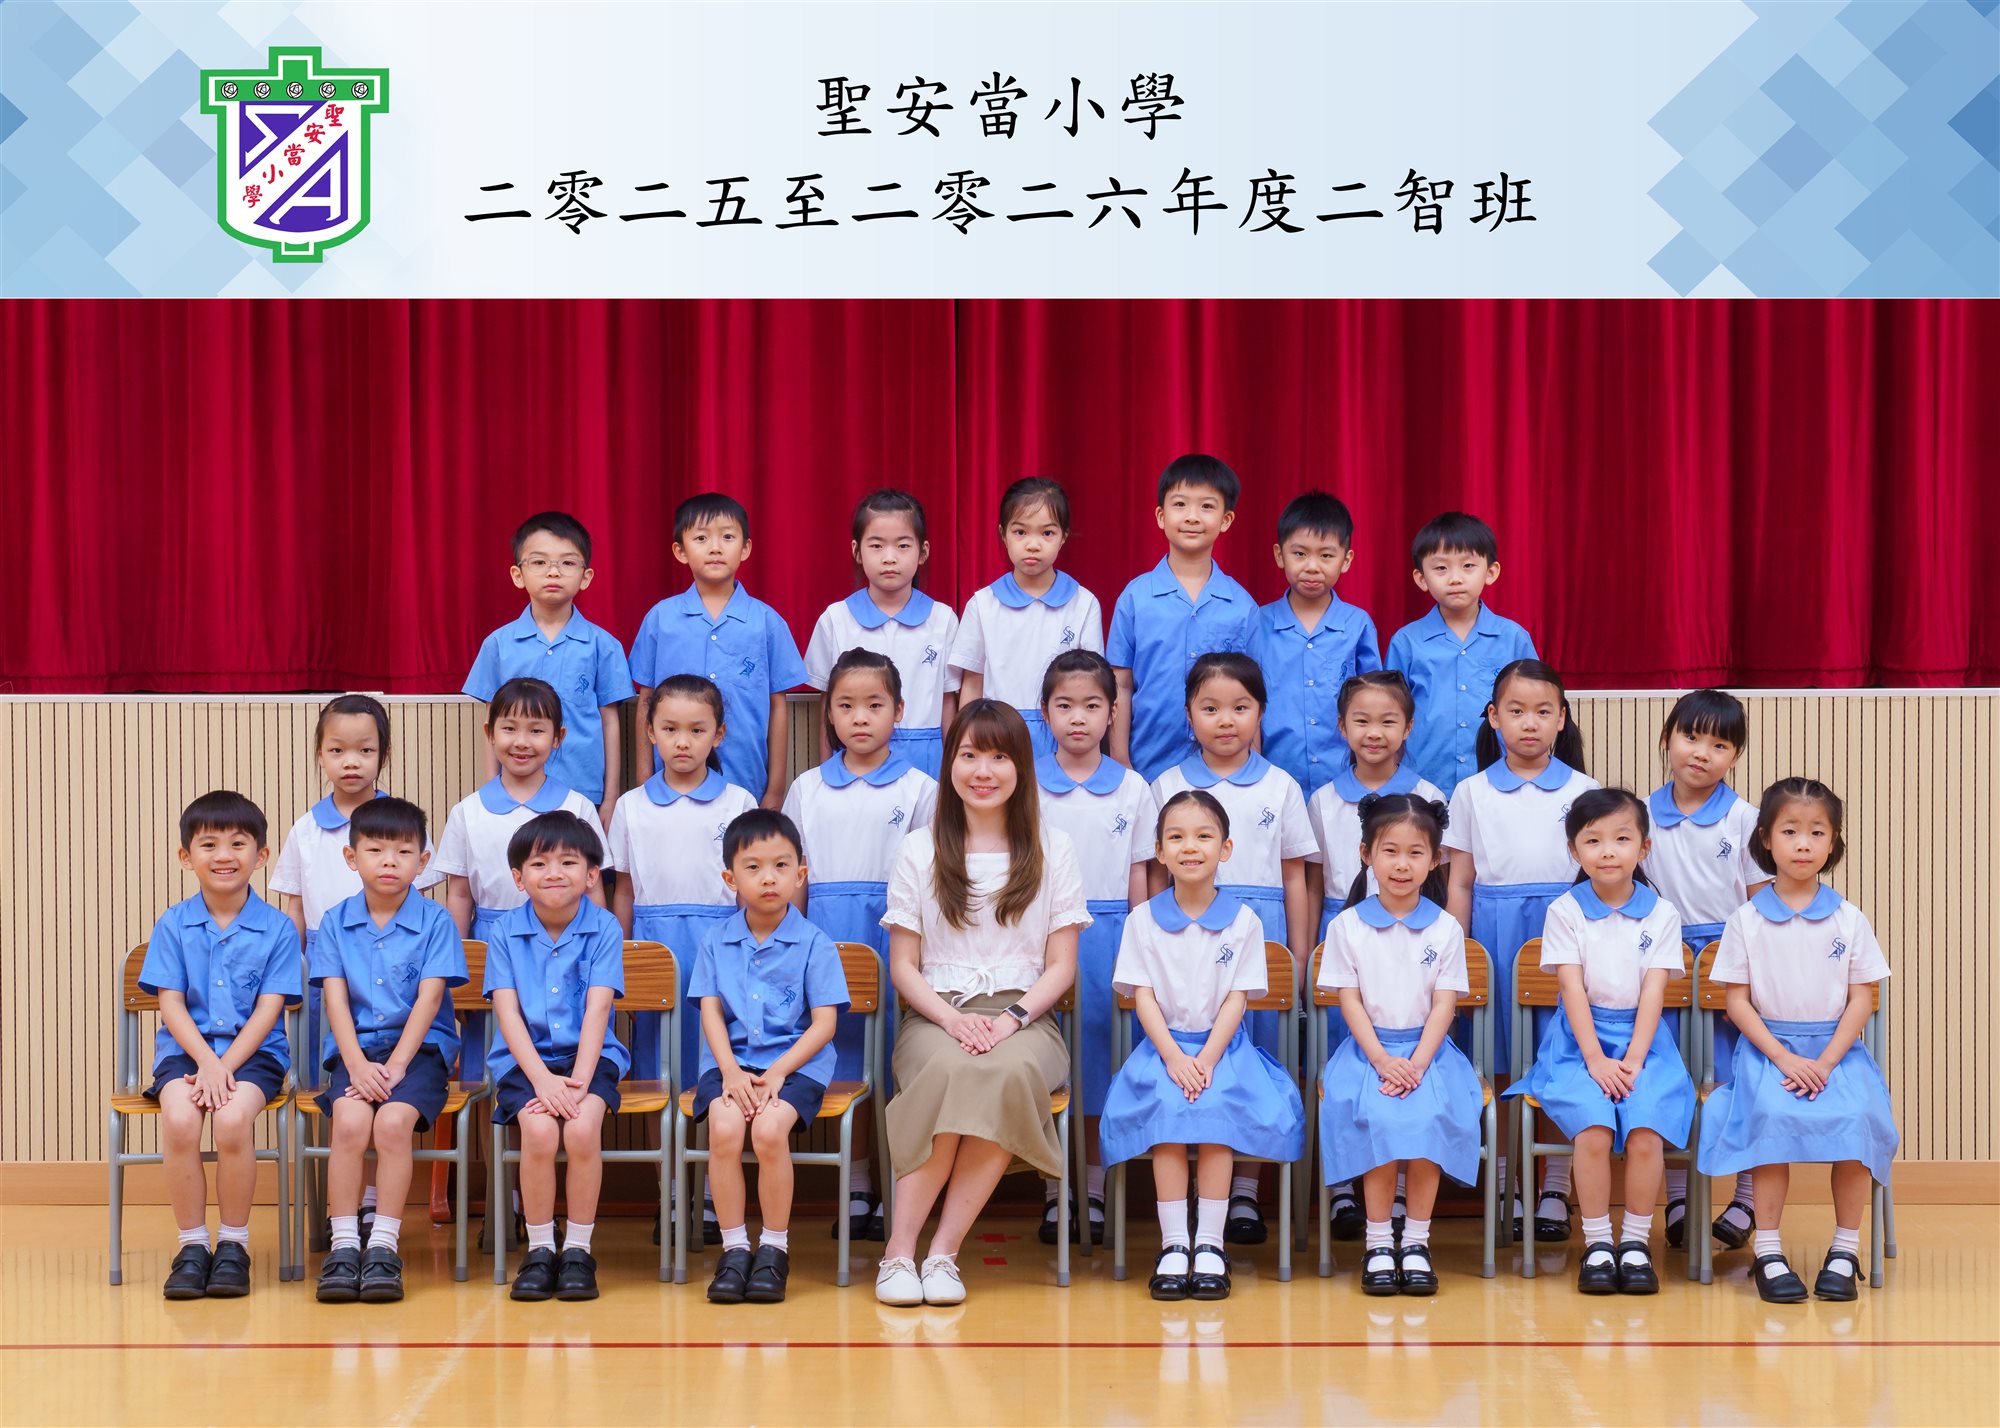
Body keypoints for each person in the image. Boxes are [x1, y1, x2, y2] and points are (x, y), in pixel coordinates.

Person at [874, 701, 1088, 1306]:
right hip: (936, 1014)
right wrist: (953, 1020)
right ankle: (898, 1255)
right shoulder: (918, 849)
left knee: (1003, 1071)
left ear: (1021, 767)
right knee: (950, 1069)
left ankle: (942, 1254)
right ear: (950, 765)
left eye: (999, 756)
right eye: (969, 755)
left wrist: (1010, 1021)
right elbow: (903, 966)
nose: (983, 771)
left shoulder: (1054, 848)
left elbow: (1062, 966)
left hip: (1027, 1018)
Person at [1098, 791, 1305, 1301]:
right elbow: (1142, 997)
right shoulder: (1142, 920)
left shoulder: (1245, 921)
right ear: (1159, 851)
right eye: (1176, 837)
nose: (1190, 847)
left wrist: (1207, 1059)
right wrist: (1174, 1058)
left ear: (1225, 848)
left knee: (1216, 1115)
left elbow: (1238, 998)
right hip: (1162, 1052)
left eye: (1203, 836)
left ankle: (1210, 1243)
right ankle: (1174, 1244)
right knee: (1168, 1117)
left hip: (1225, 1053)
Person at [1697, 778, 1897, 1303]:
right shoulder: (1745, 920)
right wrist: (1784, 1057)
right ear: (1766, 839)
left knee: (1858, 1118)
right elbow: (1737, 1002)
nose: (1803, 844)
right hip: (1769, 1054)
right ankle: (1768, 1250)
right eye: (1789, 831)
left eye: (1817, 832)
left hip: (1838, 1055)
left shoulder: (1849, 918)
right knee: (1770, 1115)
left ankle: (1845, 1250)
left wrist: (1825, 1062)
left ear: (1833, 843)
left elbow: (1862, 999)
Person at [1148, 651, 1314, 1245]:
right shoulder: (1167, 784)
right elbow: (1154, 878)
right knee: (1194, 1060)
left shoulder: (1281, 785)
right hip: (1185, 943)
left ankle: (1243, 1191)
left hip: (1261, 936)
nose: (1226, 720)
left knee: (1252, 1067)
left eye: (1240, 707)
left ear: (1260, 712)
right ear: (1188, 714)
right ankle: (1187, 1199)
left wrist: (1296, 958)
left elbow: (1294, 876)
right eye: (1210, 708)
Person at [1508, 789, 1695, 1295]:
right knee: (1592, 1129)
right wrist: (1594, 1059)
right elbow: (1571, 989)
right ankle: (1596, 1243)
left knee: (1645, 1130)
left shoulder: (1662, 914)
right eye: (1592, 841)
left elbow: (1654, 992)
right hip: (1578, 1044)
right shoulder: (1565, 910)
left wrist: (1632, 1060)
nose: (1607, 851)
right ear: (1574, 850)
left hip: (1645, 1045)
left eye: (1621, 839)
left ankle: (1634, 1242)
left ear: (1644, 847)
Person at [781, 648, 938, 1238]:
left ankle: (903, 1188)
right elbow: (795, 879)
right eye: (845, 705)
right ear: (829, 713)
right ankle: (857, 1183)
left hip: (897, 937)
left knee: (901, 1060)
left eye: (875, 705)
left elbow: (930, 880)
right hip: (827, 937)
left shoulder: (921, 788)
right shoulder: (807, 789)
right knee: (843, 1062)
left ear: (900, 710)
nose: (860, 717)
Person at [1443, 658, 1599, 1240]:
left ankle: (1555, 1187)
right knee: (1501, 1060)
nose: (1529, 723)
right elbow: (1461, 881)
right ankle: (1507, 1183)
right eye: (1516, 711)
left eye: (1542, 711)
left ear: (1561, 718)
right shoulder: (1471, 792)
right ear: (1493, 717)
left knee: (1562, 1060)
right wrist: (1458, 953)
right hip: (1495, 934)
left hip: (1566, 935)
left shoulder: (1585, 791)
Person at [1318, 793, 1482, 1297]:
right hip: (1367, 1054)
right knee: (1381, 1119)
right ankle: (1376, 1243)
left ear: (1435, 860)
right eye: (1390, 851)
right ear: (1366, 853)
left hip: (1429, 1055)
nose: (1402, 864)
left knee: (1429, 1119)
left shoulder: (1445, 927)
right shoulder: (1347, 926)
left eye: (1416, 853)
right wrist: (1383, 1060)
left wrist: (1416, 1063)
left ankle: (1415, 1242)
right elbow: (1349, 1002)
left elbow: (1444, 1005)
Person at [143, 791, 301, 1300]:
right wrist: (206, 1063)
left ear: (262, 854)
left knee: (232, 1121)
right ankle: (192, 1246)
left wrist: (224, 1067)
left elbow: (270, 1010)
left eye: (238, 843)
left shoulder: (278, 928)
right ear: (185, 857)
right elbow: (170, 1005)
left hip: (256, 1056)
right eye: (208, 844)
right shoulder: (173, 923)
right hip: (186, 1054)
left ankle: (234, 1245)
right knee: (180, 1119)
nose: (224, 855)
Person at [310, 797, 466, 1304]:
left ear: (423, 862)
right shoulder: (334, 922)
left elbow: (430, 999)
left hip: (418, 1054)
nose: (389, 862)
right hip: (356, 1053)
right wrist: (356, 1064)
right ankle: (344, 1244)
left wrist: (397, 1065)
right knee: (350, 1122)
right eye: (375, 850)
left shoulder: (437, 921)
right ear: (351, 858)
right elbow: (334, 998)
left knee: (394, 1123)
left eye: (403, 852)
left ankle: (382, 1244)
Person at [691, 810, 849, 1304]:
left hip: (795, 1066)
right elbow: (711, 1013)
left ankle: (774, 1250)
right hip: (731, 1063)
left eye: (781, 866)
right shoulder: (715, 941)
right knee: (724, 1129)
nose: (768, 878)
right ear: (729, 879)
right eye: (753, 867)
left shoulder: (815, 944)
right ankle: (735, 1249)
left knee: (767, 1130)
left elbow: (824, 1024)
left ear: (800, 874)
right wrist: (731, 1072)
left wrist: (779, 1071)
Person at [1032, 649, 1155, 1245]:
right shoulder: (1026, 781)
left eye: (1091, 706)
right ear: (1044, 712)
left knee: (1105, 1063)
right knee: (1049, 1062)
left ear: (1113, 713)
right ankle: (1054, 1191)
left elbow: (1140, 878)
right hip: (1040, 937)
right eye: (1064, 706)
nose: (1077, 718)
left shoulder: (1133, 787)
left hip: (1111, 935)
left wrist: (1138, 946)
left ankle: (1098, 1189)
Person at [485, 811, 629, 1303]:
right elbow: (507, 1013)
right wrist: (543, 1080)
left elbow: (598, 1009)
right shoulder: (504, 931)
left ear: (591, 875)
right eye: (539, 863)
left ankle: (579, 1251)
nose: (553, 872)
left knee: (583, 1128)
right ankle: (541, 1248)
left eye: (568, 862)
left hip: (590, 1059)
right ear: (518, 877)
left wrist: (579, 1082)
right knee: (541, 1131)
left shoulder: (604, 926)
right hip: (524, 1063)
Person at [1644, 688, 1767, 1251]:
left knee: (1736, 1082)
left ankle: (1746, 1198)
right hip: (1662, 962)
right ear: (1667, 738)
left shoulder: (1745, 819)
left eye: (1719, 745)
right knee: (1672, 1082)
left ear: (1735, 756)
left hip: (1726, 962)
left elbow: (1760, 906)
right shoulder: (1641, 814)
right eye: (1690, 737)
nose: (1701, 753)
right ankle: (1677, 1198)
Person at [628, 492, 808, 807]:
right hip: (668, 785)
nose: (715, 547)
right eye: (701, 538)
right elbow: (646, 700)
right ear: (680, 551)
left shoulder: (766, 622)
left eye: (727, 537)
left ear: (745, 548)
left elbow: (777, 706)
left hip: (746, 781)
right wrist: (644, 778)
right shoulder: (660, 619)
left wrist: (775, 790)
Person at [463, 511, 633, 827]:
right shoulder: (498, 644)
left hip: (582, 790)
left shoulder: (604, 645)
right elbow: (491, 721)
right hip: (514, 791)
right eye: (539, 562)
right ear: (518, 575)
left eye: (567, 562)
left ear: (586, 577)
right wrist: (491, 789)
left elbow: (610, 722)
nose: (553, 571)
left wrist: (610, 798)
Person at [1109, 454, 1259, 780]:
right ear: (1161, 516)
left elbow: (1254, 693)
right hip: (1148, 764)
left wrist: (1254, 763)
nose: (1192, 517)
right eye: (1180, 505)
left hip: (1226, 769)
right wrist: (1120, 759)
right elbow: (1120, 684)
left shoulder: (1242, 606)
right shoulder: (1135, 598)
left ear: (1226, 520)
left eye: (1206, 506)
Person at [803, 488, 960, 779]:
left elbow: (948, 702)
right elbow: (827, 703)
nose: (889, 558)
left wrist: (954, 773)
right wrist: (825, 772)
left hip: (926, 763)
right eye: (876, 546)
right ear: (857, 551)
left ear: (923, 552)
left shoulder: (943, 619)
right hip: (853, 759)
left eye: (903, 546)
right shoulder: (836, 619)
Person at [1384, 512, 1537, 796]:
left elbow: (1534, 707)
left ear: (1490, 572)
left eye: (1468, 566)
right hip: (1423, 782)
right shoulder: (1406, 642)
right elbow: (1389, 713)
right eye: (1441, 568)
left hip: (1500, 781)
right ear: (1421, 578)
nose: (1455, 578)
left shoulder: (1513, 638)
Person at [950, 476, 1104, 756]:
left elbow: (1092, 682)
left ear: (1063, 537)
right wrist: (969, 747)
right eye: (1020, 532)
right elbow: (972, 684)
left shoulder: (1083, 603)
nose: (1033, 544)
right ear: (1003, 534)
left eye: (1047, 533)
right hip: (997, 734)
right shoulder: (983, 604)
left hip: (1063, 734)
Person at [1253, 491, 1381, 797]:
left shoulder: (1358, 625)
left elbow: (1376, 700)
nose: (1312, 566)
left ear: (1346, 560)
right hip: (1274, 778)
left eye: (1326, 555)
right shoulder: (1257, 623)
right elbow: (1246, 700)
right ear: (1279, 555)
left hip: (1345, 779)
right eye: (1300, 554)